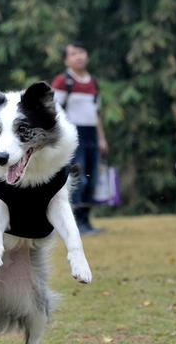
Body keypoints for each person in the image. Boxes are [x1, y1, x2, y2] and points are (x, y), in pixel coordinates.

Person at [51, 42, 109, 235]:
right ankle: (73, 224)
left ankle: (85, 221)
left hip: (91, 135)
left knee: (92, 180)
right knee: (78, 179)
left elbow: (97, 113)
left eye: (82, 52)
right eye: (74, 54)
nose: (79, 57)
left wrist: (102, 139)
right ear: (66, 60)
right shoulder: (63, 82)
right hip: (73, 136)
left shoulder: (93, 82)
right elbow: (52, 111)